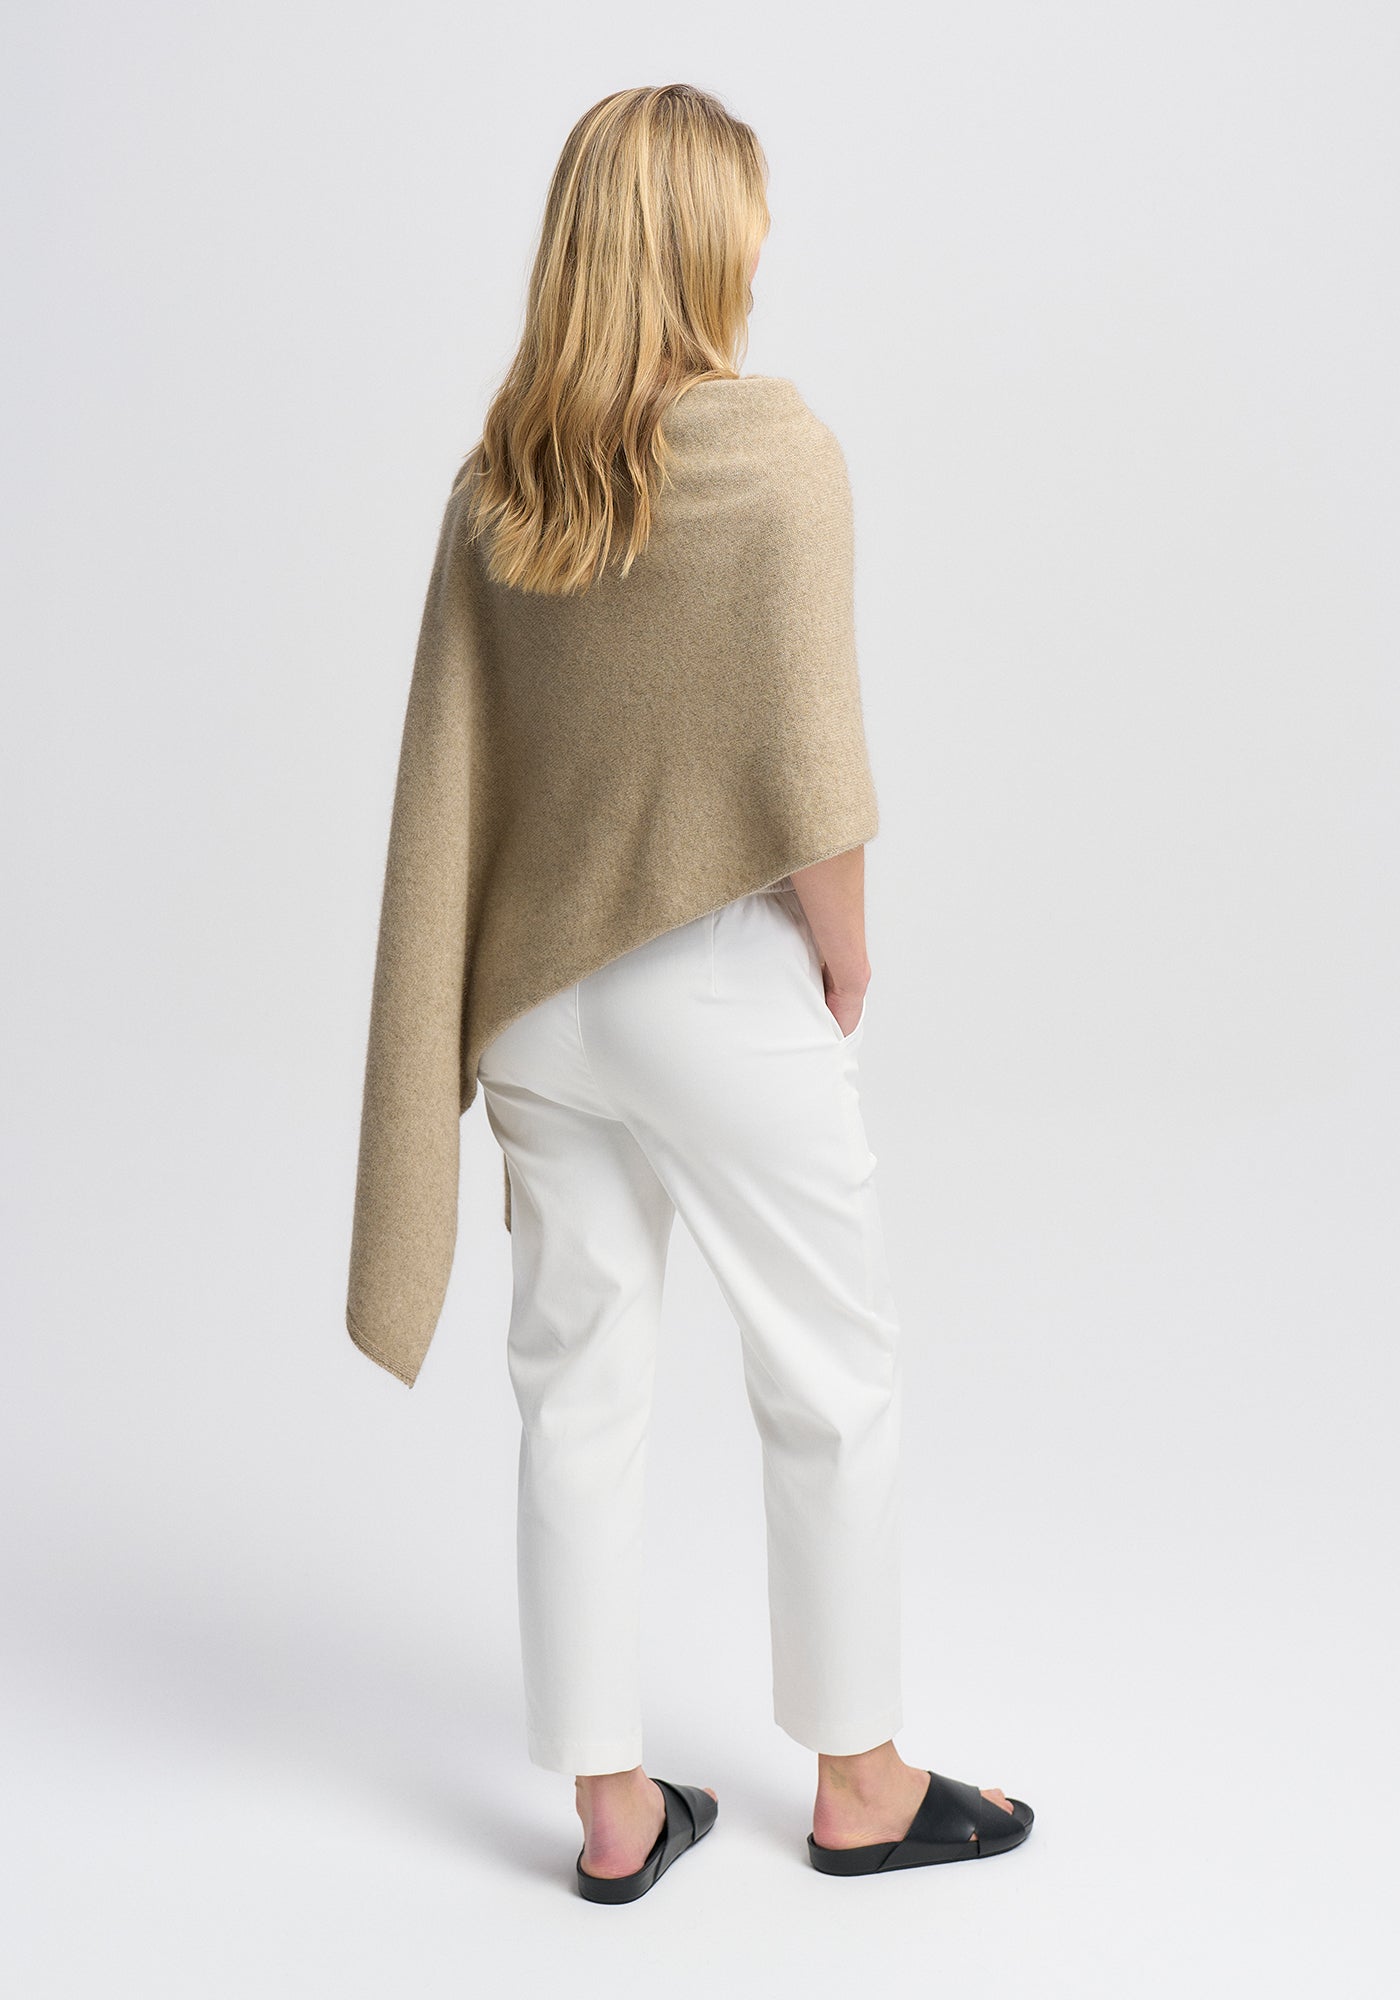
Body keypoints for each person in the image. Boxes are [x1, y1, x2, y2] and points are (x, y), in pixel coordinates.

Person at [346, 82, 1033, 1904]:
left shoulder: (499, 486)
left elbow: (459, 773)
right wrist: (846, 951)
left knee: (577, 1388)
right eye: (750, 215)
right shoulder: (778, 456)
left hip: (531, 1000)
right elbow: (812, 760)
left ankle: (612, 1812)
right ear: (701, 239)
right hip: (711, 980)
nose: (766, 243)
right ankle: (863, 1785)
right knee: (831, 1365)